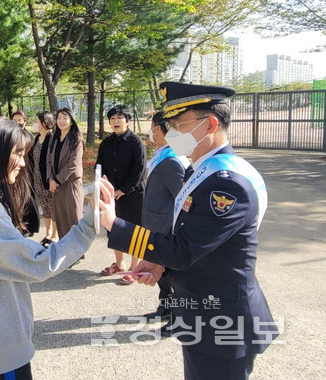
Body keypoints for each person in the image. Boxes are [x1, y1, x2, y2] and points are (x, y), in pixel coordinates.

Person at [99, 82, 278, 380]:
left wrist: (113, 224)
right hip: (203, 312)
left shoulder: (226, 183)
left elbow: (184, 250)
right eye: (169, 126)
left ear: (209, 125)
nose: (171, 134)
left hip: (224, 321)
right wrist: (159, 263)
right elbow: (191, 239)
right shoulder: (201, 169)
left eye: (178, 125)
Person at [0, 116, 95, 379]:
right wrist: (89, 225)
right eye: (18, 153)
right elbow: (39, 263)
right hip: (1, 340)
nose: (23, 162)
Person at [141, 111, 189, 330]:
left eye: (152, 126)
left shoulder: (172, 161)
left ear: (159, 130)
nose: (150, 131)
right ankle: (165, 307)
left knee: (169, 272)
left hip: (165, 227)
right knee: (162, 272)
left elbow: (182, 200)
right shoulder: (162, 154)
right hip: (155, 224)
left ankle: (178, 317)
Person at [96, 105, 146, 285]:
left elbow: (139, 170)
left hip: (132, 195)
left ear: (128, 120)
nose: (116, 121)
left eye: (119, 118)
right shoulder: (106, 143)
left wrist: (123, 189)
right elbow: (99, 167)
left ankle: (134, 268)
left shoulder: (136, 142)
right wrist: (104, 186)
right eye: (112, 118)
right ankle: (119, 264)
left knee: (134, 231)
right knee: (114, 229)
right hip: (111, 195)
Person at [47, 108, 84, 240]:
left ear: (72, 121)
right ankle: (65, 247)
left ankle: (77, 251)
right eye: (59, 118)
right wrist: (51, 179)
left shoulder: (76, 138)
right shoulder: (54, 138)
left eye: (65, 118)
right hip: (56, 184)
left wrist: (57, 180)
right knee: (61, 217)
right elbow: (49, 161)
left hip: (71, 183)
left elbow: (73, 164)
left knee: (73, 216)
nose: (61, 121)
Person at [31, 111, 58, 247]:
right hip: (37, 178)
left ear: (44, 122)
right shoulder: (36, 138)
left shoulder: (51, 138)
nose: (34, 123)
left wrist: (53, 178)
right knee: (45, 205)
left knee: (53, 206)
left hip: (48, 178)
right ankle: (48, 233)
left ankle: (55, 235)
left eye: (36, 121)